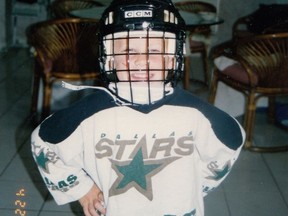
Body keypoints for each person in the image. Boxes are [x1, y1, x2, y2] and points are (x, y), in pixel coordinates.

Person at [31, 0, 245, 215]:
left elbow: (231, 141)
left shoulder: (196, 114)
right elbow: (45, 143)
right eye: (128, 50)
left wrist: (197, 185)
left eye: (153, 49)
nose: (142, 59)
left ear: (172, 58)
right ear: (110, 59)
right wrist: (82, 189)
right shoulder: (89, 114)